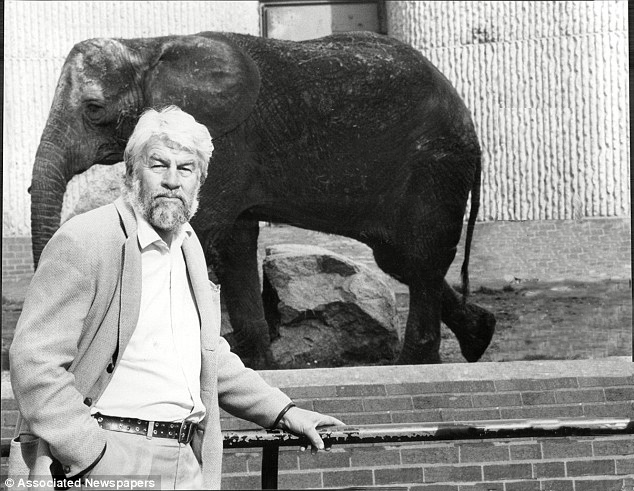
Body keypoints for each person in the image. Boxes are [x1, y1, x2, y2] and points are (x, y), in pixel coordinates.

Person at [9, 106, 344, 490]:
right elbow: (34, 361)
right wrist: (90, 452)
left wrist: (283, 411)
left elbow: (204, 353)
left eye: (185, 168)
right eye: (158, 165)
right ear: (132, 171)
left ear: (199, 180)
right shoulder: (86, 240)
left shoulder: (187, 247)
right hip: (108, 458)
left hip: (187, 460)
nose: (172, 180)